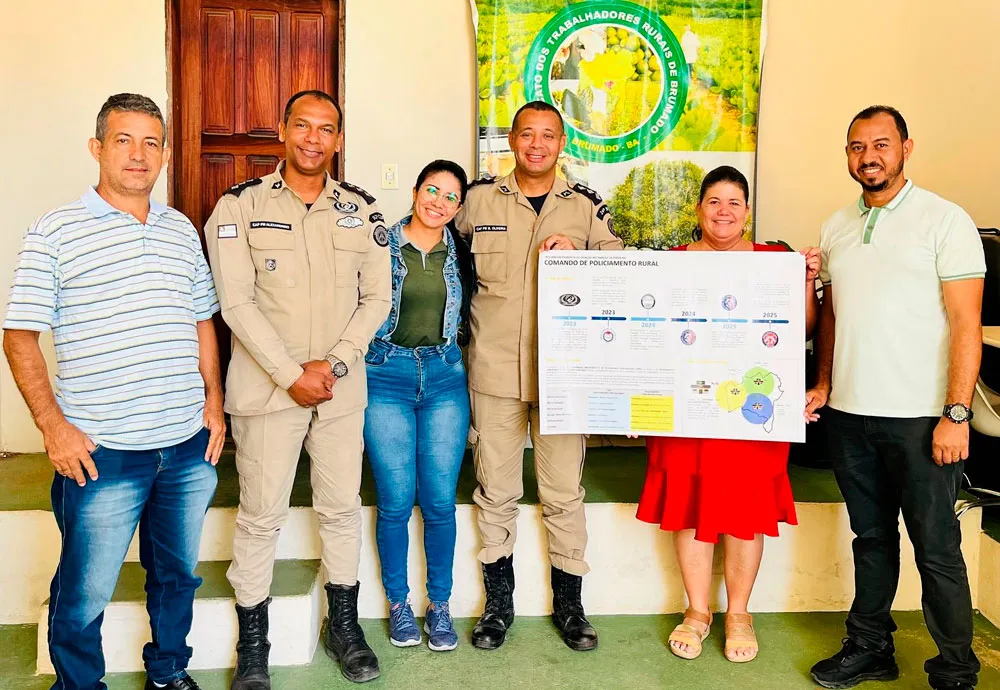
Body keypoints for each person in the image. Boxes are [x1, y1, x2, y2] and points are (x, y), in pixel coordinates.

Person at [2, 93, 225, 690]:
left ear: (165, 154)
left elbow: (203, 318)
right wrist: (54, 427)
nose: (139, 154)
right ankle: (80, 685)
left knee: (177, 575)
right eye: (124, 140)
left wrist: (214, 403)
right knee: (85, 587)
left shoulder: (180, 229)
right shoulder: (56, 231)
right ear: (97, 148)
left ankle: (169, 670)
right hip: (101, 452)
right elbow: (19, 335)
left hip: (184, 445)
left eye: (152, 142)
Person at [204, 90, 391, 687]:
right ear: (282, 130)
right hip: (266, 392)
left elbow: (377, 300)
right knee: (261, 515)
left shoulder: (362, 211)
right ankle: (253, 645)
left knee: (340, 510)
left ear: (338, 138)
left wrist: (330, 368)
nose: (314, 138)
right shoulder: (237, 207)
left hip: (339, 392)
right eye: (303, 126)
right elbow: (235, 303)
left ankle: (344, 626)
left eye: (326, 129)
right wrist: (292, 375)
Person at [806, 106, 984, 690]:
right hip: (850, 416)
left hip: (923, 419)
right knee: (872, 539)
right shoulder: (835, 226)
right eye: (856, 147)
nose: (868, 157)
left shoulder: (945, 220)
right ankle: (870, 647)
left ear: (907, 146)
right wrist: (826, 383)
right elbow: (832, 316)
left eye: (880, 144)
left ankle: (956, 667)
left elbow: (966, 325)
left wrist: (956, 414)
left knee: (937, 548)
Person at [455, 100, 623, 652]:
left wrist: (581, 255)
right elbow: (443, 265)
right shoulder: (476, 201)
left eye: (547, 136)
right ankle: (497, 607)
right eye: (526, 134)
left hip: (564, 377)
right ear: (511, 139)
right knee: (496, 491)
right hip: (494, 372)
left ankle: (570, 606)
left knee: (563, 493)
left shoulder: (587, 208)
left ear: (561, 143)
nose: (536, 145)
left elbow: (621, 277)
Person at [635, 165, 820, 664]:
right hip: (685, 411)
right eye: (713, 201)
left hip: (750, 412)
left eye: (734, 202)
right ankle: (697, 611)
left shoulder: (774, 261)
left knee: (746, 511)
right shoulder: (670, 264)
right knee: (688, 506)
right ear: (699, 209)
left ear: (747, 211)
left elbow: (802, 328)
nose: (723, 211)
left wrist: (804, 282)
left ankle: (739, 612)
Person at [363, 160, 476, 652]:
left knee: (438, 502)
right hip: (385, 375)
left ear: (458, 208)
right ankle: (399, 604)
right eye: (433, 190)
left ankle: (441, 606)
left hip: (445, 379)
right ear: (415, 191)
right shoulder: (378, 244)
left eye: (451, 197)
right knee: (393, 499)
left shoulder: (463, 253)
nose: (439, 202)